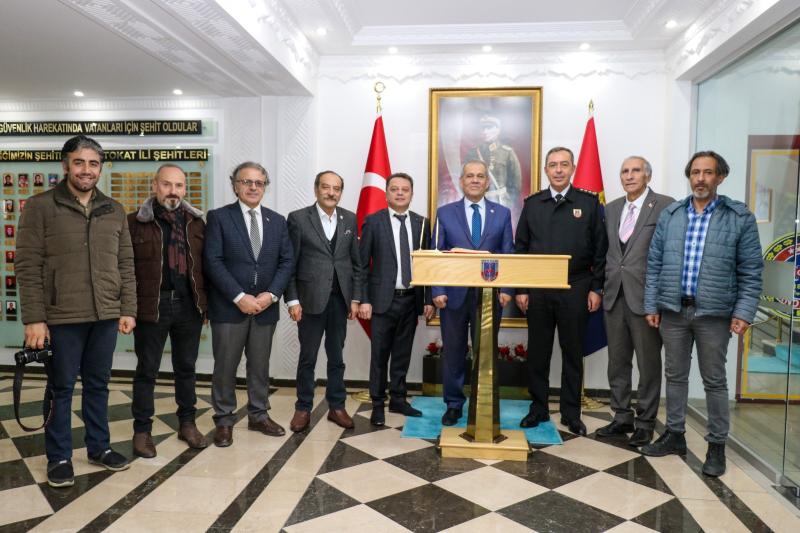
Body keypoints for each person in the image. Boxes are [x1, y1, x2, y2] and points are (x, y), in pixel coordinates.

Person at [15, 135, 136, 488]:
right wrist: (34, 318)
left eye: (93, 163)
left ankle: (99, 447)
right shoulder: (40, 206)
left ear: (101, 168)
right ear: (65, 165)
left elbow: (125, 263)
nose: (86, 170)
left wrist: (127, 308)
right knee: (61, 387)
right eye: (79, 162)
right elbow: (27, 266)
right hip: (61, 316)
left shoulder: (113, 209)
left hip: (105, 315)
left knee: (98, 385)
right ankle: (59, 457)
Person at [641, 151, 763, 476]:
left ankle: (716, 446)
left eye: (708, 172)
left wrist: (744, 312)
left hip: (714, 314)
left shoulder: (738, 217)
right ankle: (675, 435)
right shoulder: (671, 215)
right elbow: (654, 263)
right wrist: (651, 304)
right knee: (675, 376)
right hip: (674, 311)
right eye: (695, 172)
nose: (700, 178)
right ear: (689, 176)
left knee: (714, 380)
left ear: (720, 177)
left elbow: (751, 270)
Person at [515, 146, 607, 436]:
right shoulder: (533, 204)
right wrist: (521, 288)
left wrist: (596, 288)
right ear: (545, 170)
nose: (558, 170)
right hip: (538, 288)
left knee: (573, 352)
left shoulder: (588, 203)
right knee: (538, 353)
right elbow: (521, 248)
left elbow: (600, 250)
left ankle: (571, 413)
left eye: (564, 164)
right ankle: (538, 408)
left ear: (573, 168)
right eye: (553, 165)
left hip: (576, 286)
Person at [204, 162, 294, 447]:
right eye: (247, 182)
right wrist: (239, 296)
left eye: (259, 183)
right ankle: (224, 419)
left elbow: (287, 261)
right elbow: (212, 261)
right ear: (235, 186)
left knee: (259, 366)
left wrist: (272, 295)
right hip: (229, 308)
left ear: (265, 187)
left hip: (265, 308)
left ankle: (258, 415)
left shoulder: (277, 221)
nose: (253, 187)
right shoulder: (219, 217)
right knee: (225, 366)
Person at [128, 163, 208, 458]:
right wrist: (127, 309)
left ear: (185, 189)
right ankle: (142, 431)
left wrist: (205, 305)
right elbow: (124, 270)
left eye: (179, 185)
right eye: (166, 184)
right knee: (146, 370)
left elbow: (205, 267)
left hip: (189, 305)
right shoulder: (134, 222)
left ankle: (187, 424)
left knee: (186, 368)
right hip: (152, 306)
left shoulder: (196, 223)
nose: (173, 191)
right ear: (155, 186)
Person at [596, 156, 674, 447]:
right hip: (614, 295)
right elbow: (608, 252)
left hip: (646, 300)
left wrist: (659, 299)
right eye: (624, 171)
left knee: (648, 364)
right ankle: (621, 417)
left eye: (636, 171)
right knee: (617, 362)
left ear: (647, 176)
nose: (629, 176)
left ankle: (645, 422)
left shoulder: (665, 206)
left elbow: (670, 254)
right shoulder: (612, 208)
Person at [432, 160, 515, 426]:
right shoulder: (445, 213)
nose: (475, 180)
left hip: (489, 297)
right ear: (461, 181)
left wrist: (507, 289)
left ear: (487, 182)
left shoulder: (502, 214)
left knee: (485, 353)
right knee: (453, 353)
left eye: (480, 176)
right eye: (470, 176)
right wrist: (437, 290)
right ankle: (454, 404)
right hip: (453, 297)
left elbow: (508, 254)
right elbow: (436, 254)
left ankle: (482, 403)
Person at [286, 171, 364, 432]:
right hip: (309, 301)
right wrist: (292, 300)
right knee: (307, 358)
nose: (331, 193)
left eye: (336, 188)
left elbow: (356, 263)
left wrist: (355, 298)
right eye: (326, 187)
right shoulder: (298, 219)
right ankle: (302, 408)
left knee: (337, 357)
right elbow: (290, 264)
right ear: (316, 189)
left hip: (340, 301)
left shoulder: (349, 218)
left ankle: (336, 407)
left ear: (341, 192)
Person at [358, 172, 434, 426]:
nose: (400, 193)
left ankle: (398, 399)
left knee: (402, 354)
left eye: (405, 189)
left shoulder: (422, 223)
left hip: (411, 301)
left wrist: (428, 299)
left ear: (412, 193)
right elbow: (362, 265)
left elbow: (427, 265)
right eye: (394, 189)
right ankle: (378, 403)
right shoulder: (374, 222)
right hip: (382, 301)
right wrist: (364, 299)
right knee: (380, 356)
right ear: (387, 193)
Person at [464, 115, 522, 211]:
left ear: (498, 130)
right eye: (483, 128)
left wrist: (508, 203)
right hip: (477, 203)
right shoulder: (473, 153)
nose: (485, 131)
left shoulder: (507, 152)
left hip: (501, 202)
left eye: (489, 128)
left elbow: (515, 184)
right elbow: (465, 179)